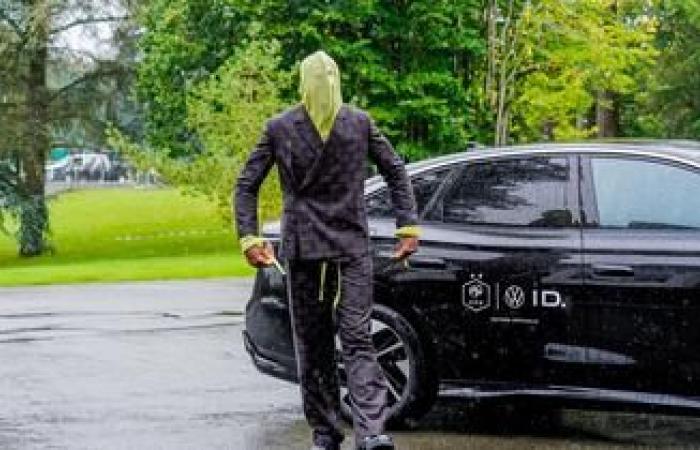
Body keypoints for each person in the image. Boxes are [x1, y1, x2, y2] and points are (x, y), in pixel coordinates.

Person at [235, 50, 420, 450]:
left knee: (356, 335)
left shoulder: (357, 123)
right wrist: (249, 237)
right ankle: (325, 431)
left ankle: (371, 432)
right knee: (313, 342)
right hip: (305, 250)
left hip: (350, 247)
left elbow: (395, 169)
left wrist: (408, 225)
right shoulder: (280, 128)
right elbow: (246, 184)